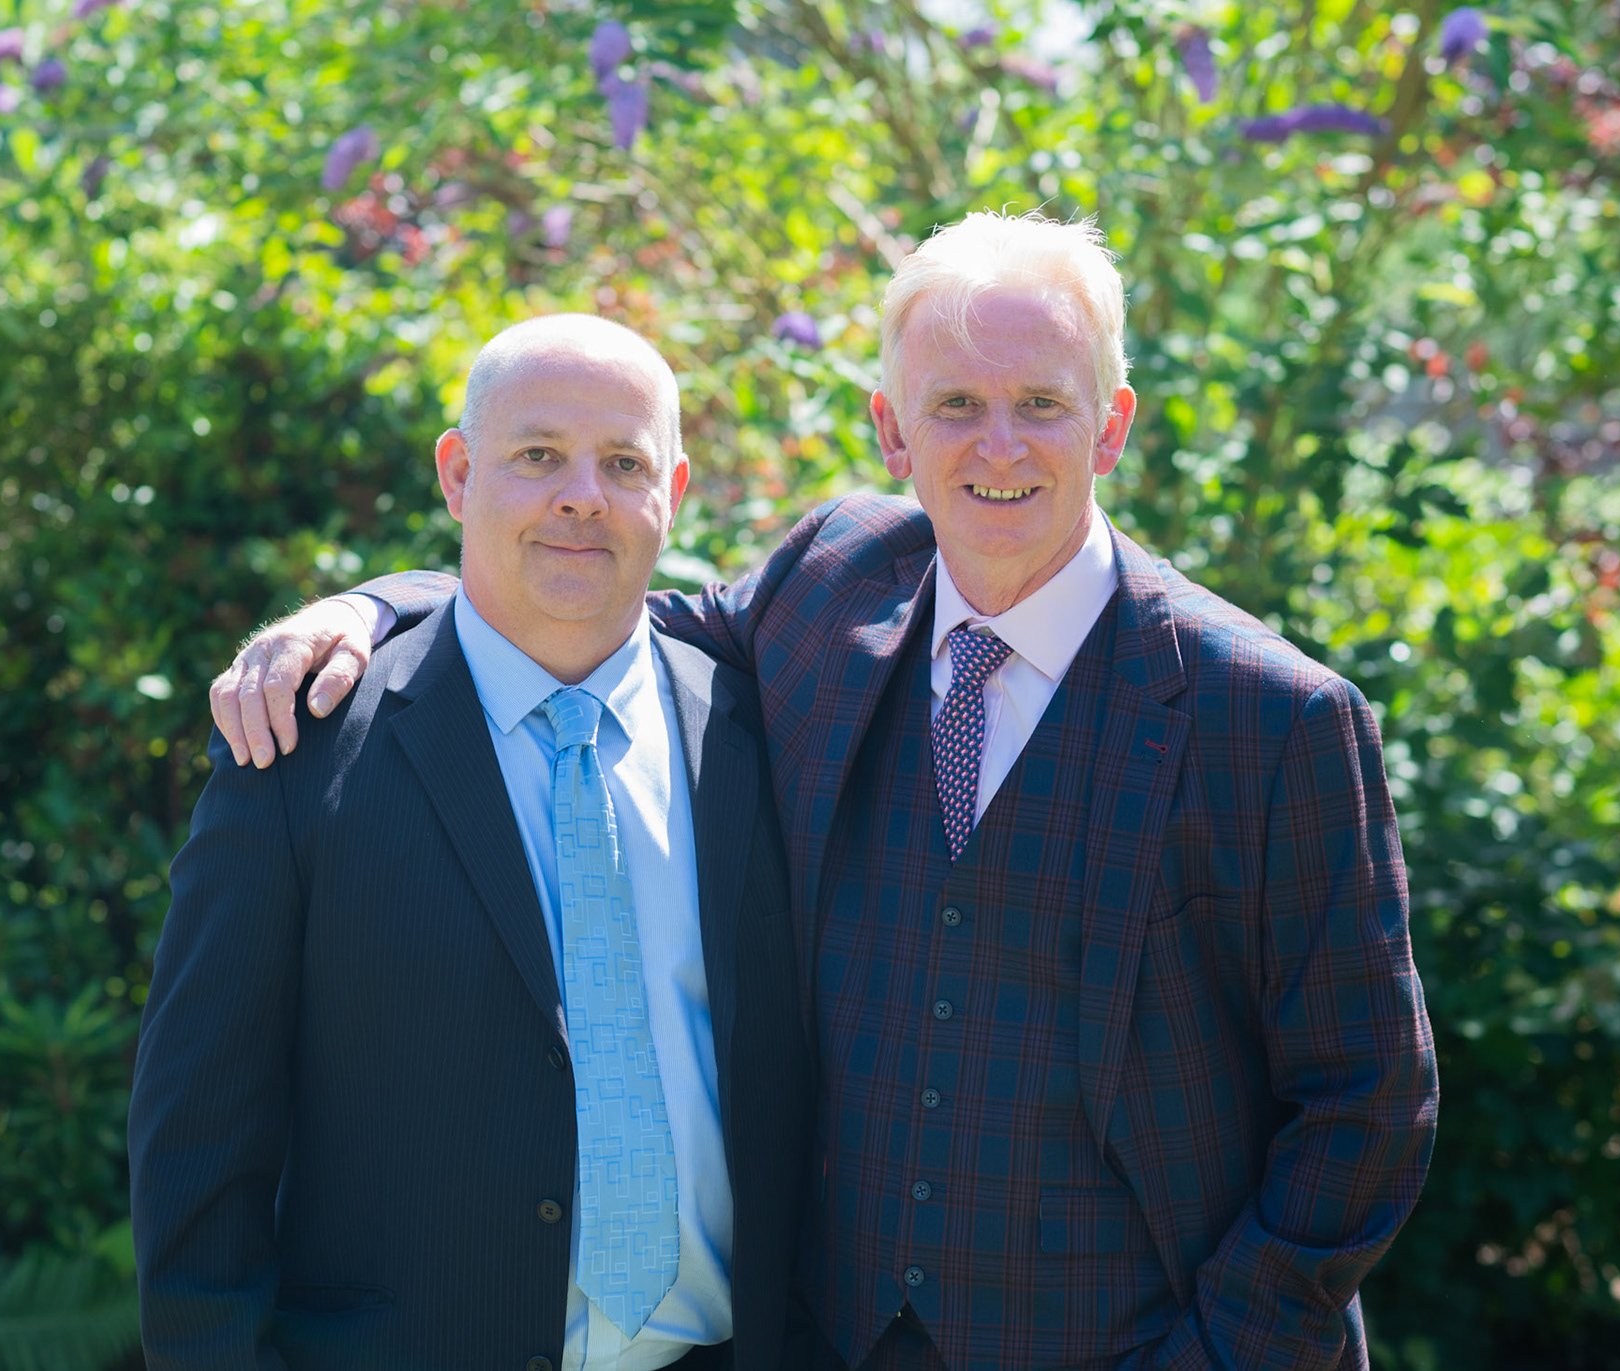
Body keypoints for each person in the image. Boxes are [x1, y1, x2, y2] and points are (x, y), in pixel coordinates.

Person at [212, 213, 1438, 1371]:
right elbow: (585, 596)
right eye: (954, 406)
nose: (998, 446)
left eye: (1040, 405)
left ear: (1110, 427)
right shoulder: (833, 584)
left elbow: (1367, 1107)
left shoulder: (1269, 721)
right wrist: (378, 605)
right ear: (892, 433)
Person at [131, 315, 813, 1371]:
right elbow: (198, 1141)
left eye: (623, 463)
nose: (582, 495)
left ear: (673, 490)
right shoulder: (300, 756)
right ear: (458, 474)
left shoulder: (762, 731)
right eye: (537, 455)